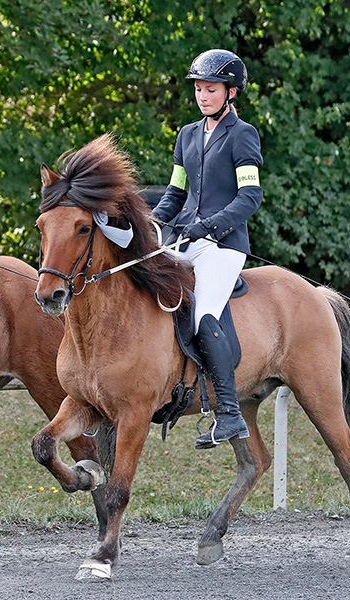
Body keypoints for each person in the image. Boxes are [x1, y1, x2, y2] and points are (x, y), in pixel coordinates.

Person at [151, 49, 264, 449]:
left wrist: (210, 226)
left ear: (231, 92)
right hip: (186, 239)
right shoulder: (187, 135)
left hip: (224, 246)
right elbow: (175, 192)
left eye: (211, 89)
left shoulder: (242, 134)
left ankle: (230, 414)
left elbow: (250, 196)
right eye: (199, 88)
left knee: (203, 315)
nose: (203, 95)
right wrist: (156, 223)